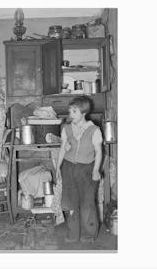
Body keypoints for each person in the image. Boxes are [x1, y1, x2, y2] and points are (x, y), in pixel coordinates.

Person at [55, 96, 103, 243]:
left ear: (83, 112)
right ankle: (73, 233)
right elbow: (62, 149)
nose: (71, 115)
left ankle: (89, 234)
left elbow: (99, 152)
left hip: (87, 169)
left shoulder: (94, 130)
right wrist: (58, 167)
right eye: (70, 111)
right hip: (68, 168)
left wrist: (96, 170)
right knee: (71, 203)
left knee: (87, 204)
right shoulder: (66, 129)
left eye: (74, 111)